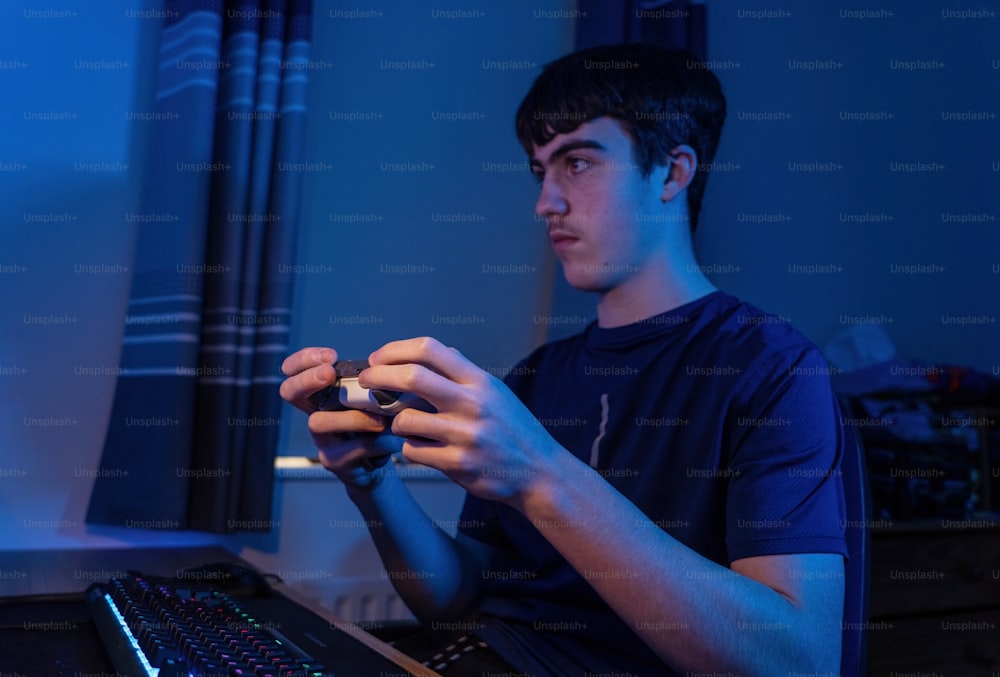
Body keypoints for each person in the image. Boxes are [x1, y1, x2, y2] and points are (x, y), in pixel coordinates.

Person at [280, 43, 848, 676]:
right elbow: (457, 602)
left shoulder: (771, 368)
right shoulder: (535, 377)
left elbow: (799, 663)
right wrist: (373, 484)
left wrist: (541, 475)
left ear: (672, 174)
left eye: (577, 162)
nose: (545, 202)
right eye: (540, 170)